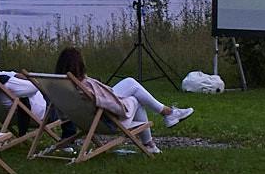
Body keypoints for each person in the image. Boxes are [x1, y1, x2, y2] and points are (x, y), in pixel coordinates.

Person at [54, 46, 192, 131]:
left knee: (131, 84)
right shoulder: (85, 86)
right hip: (105, 119)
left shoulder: (60, 85)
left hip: (85, 120)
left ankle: (165, 119)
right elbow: (109, 102)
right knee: (135, 96)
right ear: (80, 66)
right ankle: (167, 115)